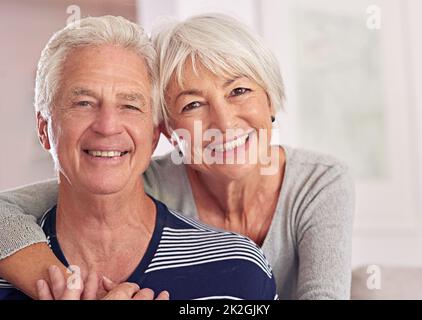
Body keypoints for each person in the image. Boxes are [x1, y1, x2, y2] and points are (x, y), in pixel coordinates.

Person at [0, 13, 353, 299]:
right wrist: (63, 287)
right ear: (165, 130)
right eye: (193, 104)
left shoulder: (319, 181)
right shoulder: (143, 177)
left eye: (240, 90)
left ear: (271, 99)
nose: (224, 123)